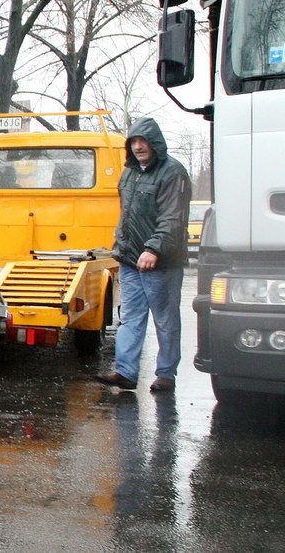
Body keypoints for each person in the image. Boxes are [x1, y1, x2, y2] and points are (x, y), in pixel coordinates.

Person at [96, 117, 191, 393]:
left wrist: (153, 249)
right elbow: (127, 215)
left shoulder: (173, 173)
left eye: (143, 141)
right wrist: (121, 244)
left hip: (160, 262)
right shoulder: (130, 172)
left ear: (155, 143)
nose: (138, 147)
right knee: (131, 317)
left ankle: (166, 375)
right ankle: (125, 372)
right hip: (130, 260)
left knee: (165, 319)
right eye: (134, 142)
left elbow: (172, 219)